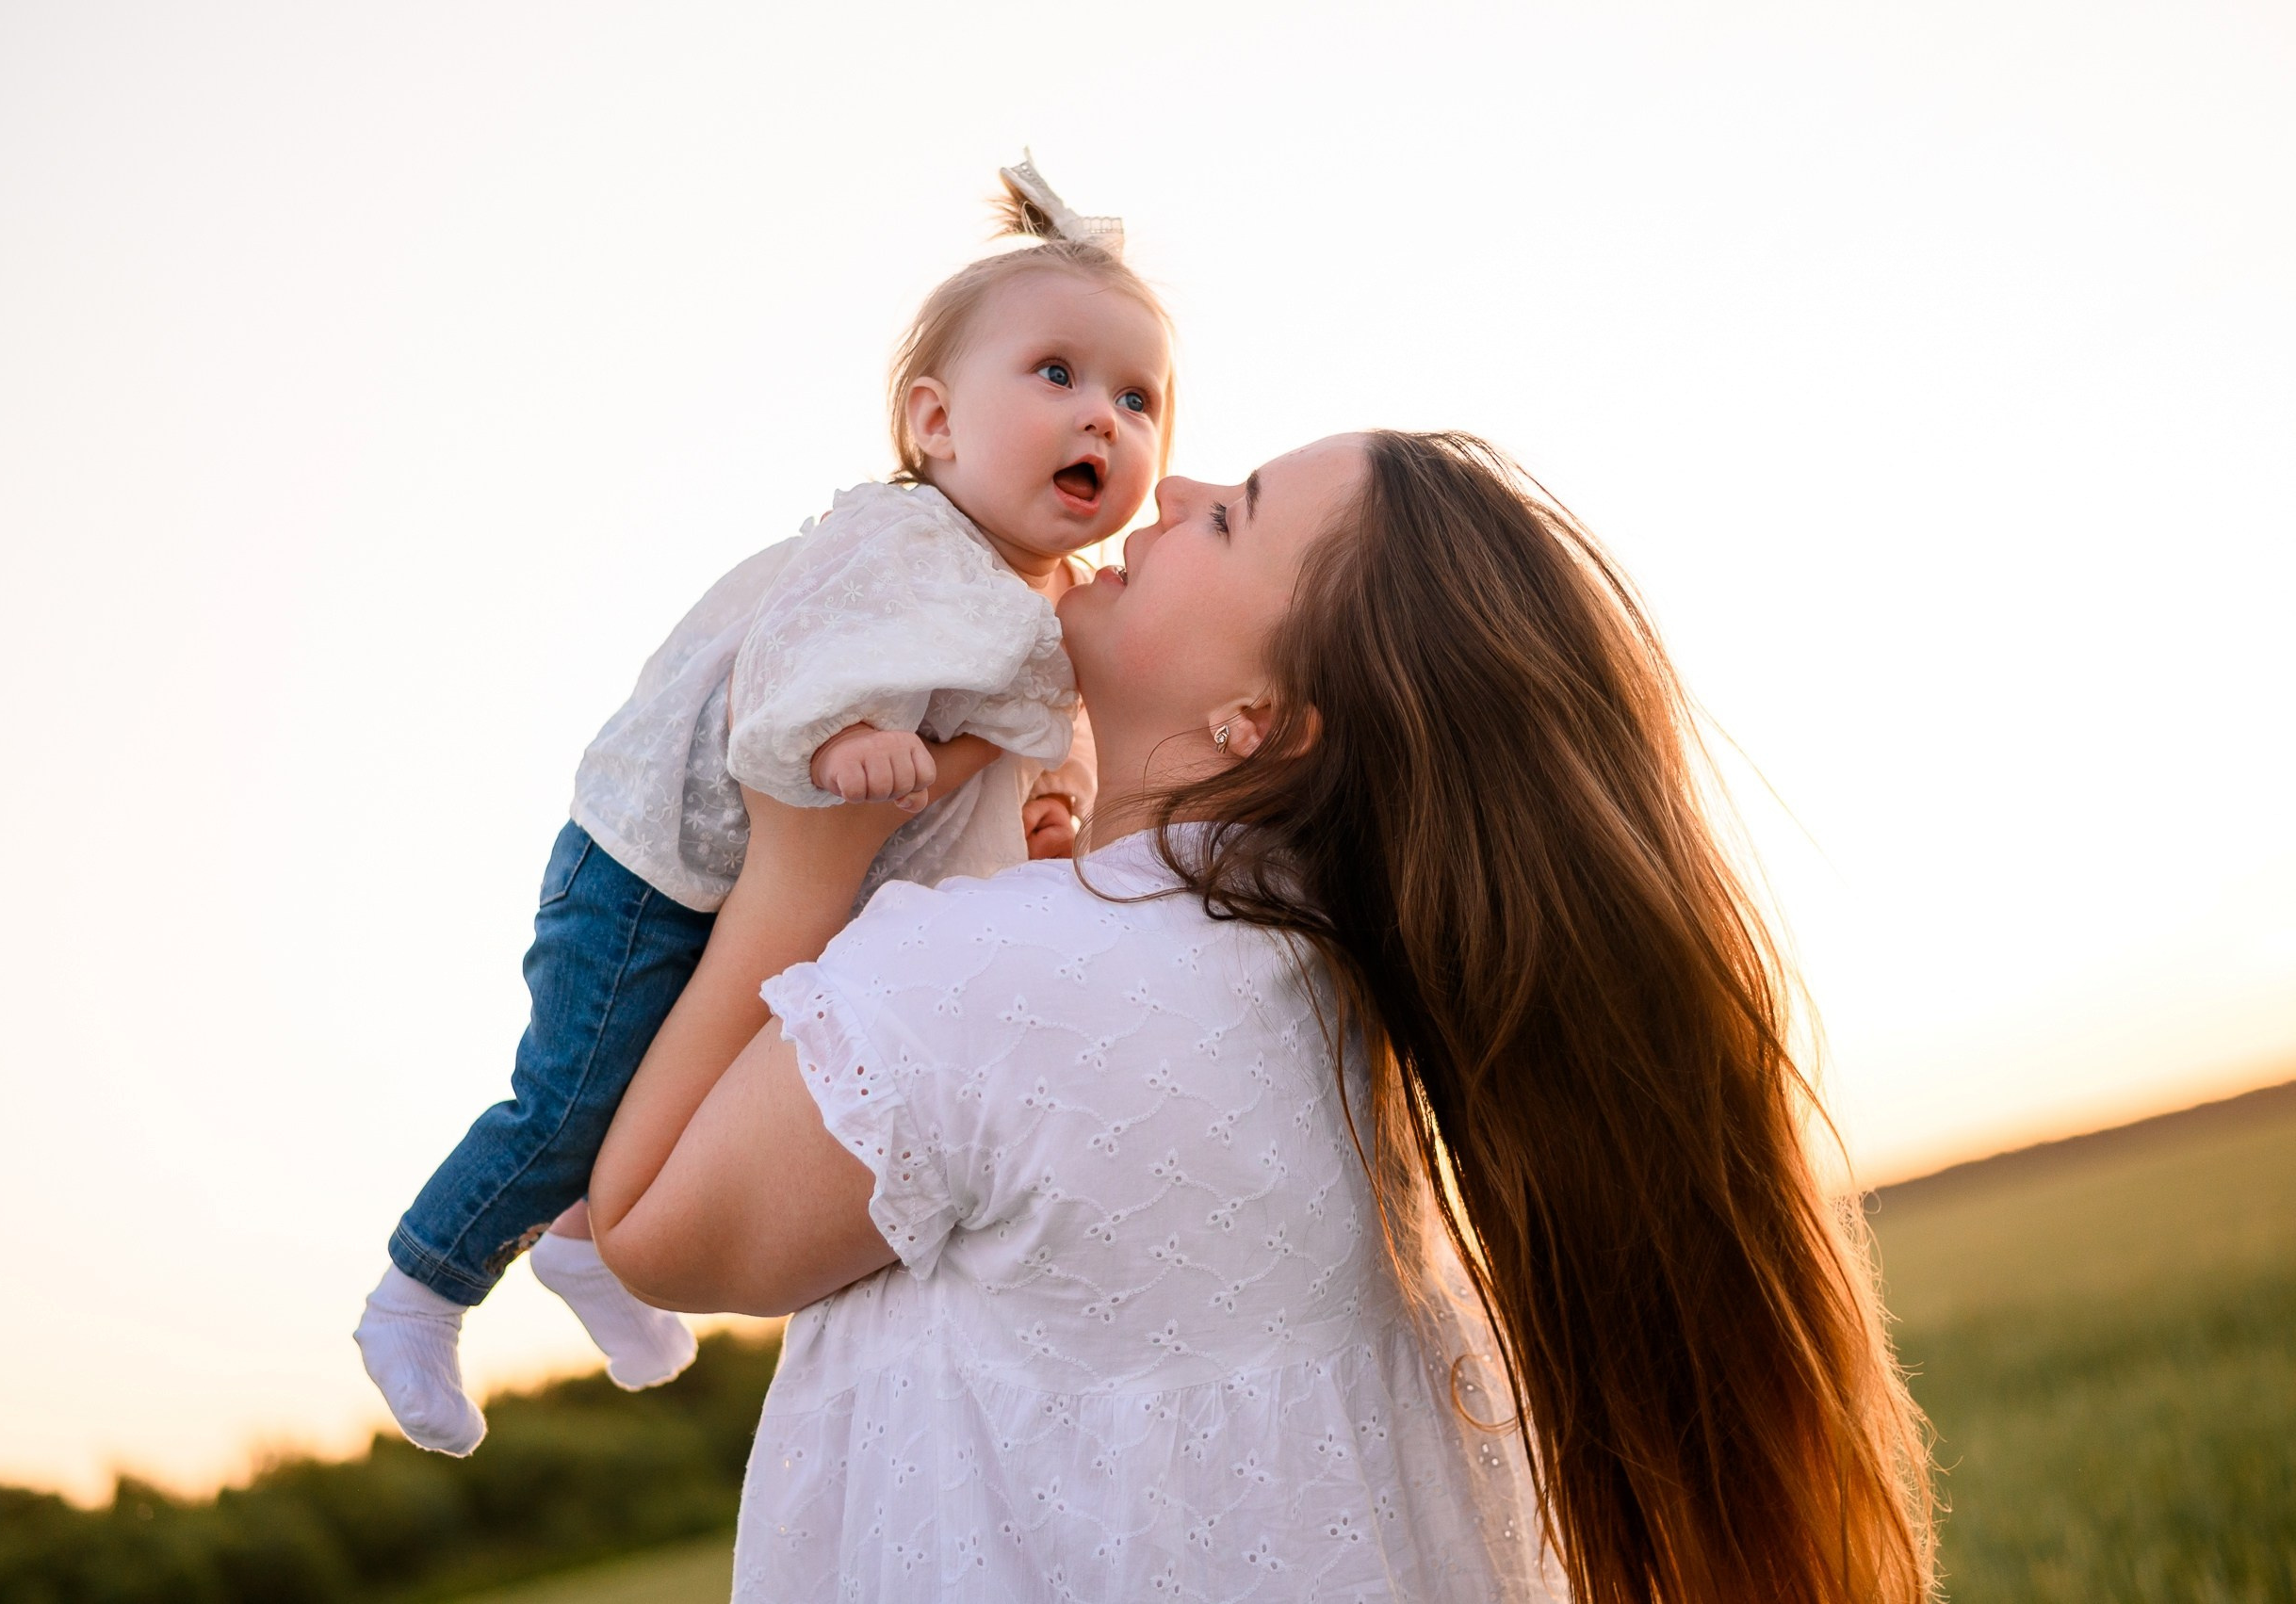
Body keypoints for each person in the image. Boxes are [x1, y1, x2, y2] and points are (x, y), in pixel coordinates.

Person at [591, 431, 1939, 1601]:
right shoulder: (1340, 973)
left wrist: (799, 864)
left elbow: (646, 1225)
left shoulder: (992, 979)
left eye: (1226, 516)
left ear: (1259, 718)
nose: (1164, 489)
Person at [353, 155, 1175, 1456]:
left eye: (1140, 399)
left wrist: (1060, 809)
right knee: (572, 1099)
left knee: (703, 1091)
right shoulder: (899, 545)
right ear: (935, 425)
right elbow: (785, 666)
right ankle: (420, 1290)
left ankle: (589, 1253)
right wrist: (842, 735)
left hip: (764, 891)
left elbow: (1051, 731)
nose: (1104, 421)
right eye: (1058, 375)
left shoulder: (1047, 605)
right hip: (651, 864)